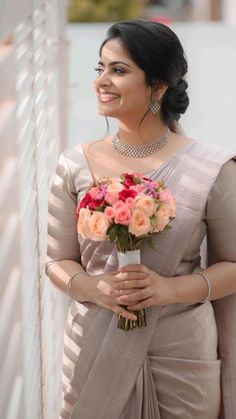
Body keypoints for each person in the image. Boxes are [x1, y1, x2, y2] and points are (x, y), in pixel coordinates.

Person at [45, 20, 236, 419]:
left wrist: (169, 290)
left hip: (180, 354)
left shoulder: (212, 168)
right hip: (94, 349)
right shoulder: (74, 164)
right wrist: (95, 288)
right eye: (99, 69)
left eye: (118, 70)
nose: (102, 81)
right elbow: (56, 261)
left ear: (158, 86)